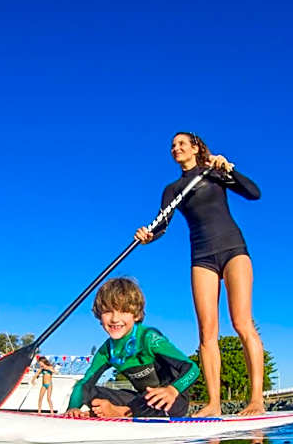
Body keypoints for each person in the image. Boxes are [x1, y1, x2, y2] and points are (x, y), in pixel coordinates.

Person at [135, 132, 264, 416]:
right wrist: (148, 236)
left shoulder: (214, 172)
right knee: (207, 333)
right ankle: (214, 403)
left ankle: (256, 400)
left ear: (196, 148)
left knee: (242, 322)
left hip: (233, 249)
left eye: (182, 144)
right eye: (172, 145)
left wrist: (229, 169)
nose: (175, 148)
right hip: (201, 257)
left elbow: (254, 193)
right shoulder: (172, 189)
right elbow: (162, 224)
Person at [63, 277, 200, 419]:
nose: (115, 318)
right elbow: (85, 383)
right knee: (90, 391)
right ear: (99, 315)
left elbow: (192, 368)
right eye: (108, 311)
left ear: (136, 314)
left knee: (157, 400)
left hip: (171, 399)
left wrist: (173, 389)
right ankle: (110, 411)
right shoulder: (107, 351)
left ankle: (120, 412)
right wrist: (72, 408)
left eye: (123, 311)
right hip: (140, 400)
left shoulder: (148, 338)